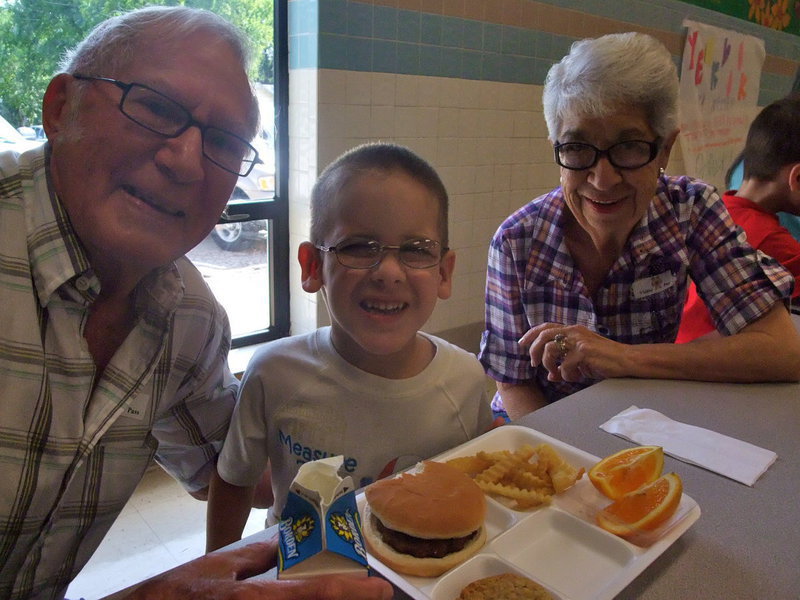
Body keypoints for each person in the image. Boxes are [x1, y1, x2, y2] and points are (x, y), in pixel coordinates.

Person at [0, 6, 391, 600]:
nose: (185, 160)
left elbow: (220, 468)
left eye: (223, 142)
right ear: (61, 108)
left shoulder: (189, 318)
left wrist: (354, 469)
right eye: (155, 108)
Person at [478, 32, 800, 420]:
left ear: (664, 148)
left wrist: (623, 358)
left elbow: (782, 351)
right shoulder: (517, 241)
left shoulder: (689, 210)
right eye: (577, 148)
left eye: (628, 147)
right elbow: (513, 381)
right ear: (556, 147)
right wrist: (563, 459)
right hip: (542, 426)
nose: (602, 179)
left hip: (643, 422)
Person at [206, 143, 495, 551]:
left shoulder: (465, 379)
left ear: (444, 273)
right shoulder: (275, 372)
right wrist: (216, 575)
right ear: (312, 267)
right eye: (359, 247)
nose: (389, 272)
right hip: (298, 563)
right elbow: (234, 479)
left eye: (416, 250)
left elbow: (474, 484)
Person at [677, 93, 800, 341]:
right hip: (711, 370)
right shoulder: (774, 243)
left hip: (683, 350)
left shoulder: (717, 211)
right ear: (797, 178)